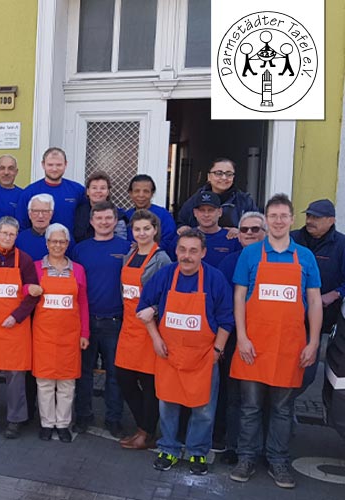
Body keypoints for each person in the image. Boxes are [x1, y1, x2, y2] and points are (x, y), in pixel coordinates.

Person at [229, 194, 322, 489]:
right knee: (250, 407)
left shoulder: (305, 257)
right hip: (254, 346)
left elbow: (315, 302)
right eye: (273, 216)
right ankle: (247, 458)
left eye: (284, 216)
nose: (279, 221)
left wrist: (314, 342)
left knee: (282, 409)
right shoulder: (251, 254)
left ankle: (278, 461)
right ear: (267, 221)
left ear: (291, 219)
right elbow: (240, 297)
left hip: (290, 347)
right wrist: (241, 337)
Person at [137, 229, 234, 476]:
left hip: (203, 356)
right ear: (176, 251)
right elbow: (143, 308)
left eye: (193, 251)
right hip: (168, 353)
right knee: (168, 404)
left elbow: (226, 319)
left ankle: (197, 452)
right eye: (182, 250)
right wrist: (155, 338)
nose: (186, 256)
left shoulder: (215, 278)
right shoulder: (165, 275)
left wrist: (217, 349)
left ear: (203, 252)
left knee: (203, 408)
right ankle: (168, 448)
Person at [70, 201, 133, 438]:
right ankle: (83, 416)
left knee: (115, 375)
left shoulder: (127, 248)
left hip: (116, 321)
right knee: (83, 373)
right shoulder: (80, 249)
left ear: (115, 221)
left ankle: (113, 419)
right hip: (85, 322)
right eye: (99, 218)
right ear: (91, 221)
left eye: (109, 218)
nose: (104, 222)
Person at [0, 216, 41, 438]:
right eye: (4, 233)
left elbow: (32, 293)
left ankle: (15, 419)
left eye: (11, 234)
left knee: (16, 374)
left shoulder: (25, 260)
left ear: (16, 236)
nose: (7, 237)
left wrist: (17, 316)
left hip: (16, 326)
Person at [115, 209, 171, 450]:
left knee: (149, 384)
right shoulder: (130, 254)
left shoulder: (162, 259)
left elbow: (169, 295)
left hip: (150, 329)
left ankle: (146, 432)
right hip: (129, 326)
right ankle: (143, 425)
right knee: (123, 377)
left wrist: (154, 311)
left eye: (146, 229)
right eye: (137, 229)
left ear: (155, 230)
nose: (141, 233)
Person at [214, 211, 267, 462]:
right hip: (235, 336)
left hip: (268, 337)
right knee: (233, 393)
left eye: (255, 229)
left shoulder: (278, 261)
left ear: (265, 232)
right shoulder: (229, 262)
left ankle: (262, 447)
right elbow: (221, 303)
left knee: (265, 396)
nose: (249, 234)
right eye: (244, 230)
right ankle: (233, 446)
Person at [33, 223, 90, 443]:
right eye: (53, 241)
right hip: (43, 335)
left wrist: (84, 332)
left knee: (67, 383)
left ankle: (63, 424)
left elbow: (83, 302)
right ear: (47, 243)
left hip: (70, 335)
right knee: (45, 382)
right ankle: (47, 424)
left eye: (62, 241)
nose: (58, 245)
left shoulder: (78, 270)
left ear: (67, 244)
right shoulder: (37, 268)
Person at [290, 199, 345, 400]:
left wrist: (336, 293)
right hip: (292, 318)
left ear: (331, 220)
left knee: (308, 373)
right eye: (309, 216)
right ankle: (284, 408)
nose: (310, 221)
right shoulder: (292, 239)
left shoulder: (341, 245)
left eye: (317, 217)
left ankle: (287, 405)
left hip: (325, 321)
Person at [16, 148, 87, 234]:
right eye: (50, 165)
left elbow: (85, 220)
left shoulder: (77, 190)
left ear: (66, 164)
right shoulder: (29, 192)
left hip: (69, 244)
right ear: (43, 165)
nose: (54, 169)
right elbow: (22, 225)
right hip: (38, 244)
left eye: (59, 165)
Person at [177, 158, 259, 233]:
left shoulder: (245, 201)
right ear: (209, 176)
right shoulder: (196, 199)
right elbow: (181, 223)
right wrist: (183, 228)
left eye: (229, 174)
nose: (224, 177)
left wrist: (240, 231)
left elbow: (257, 228)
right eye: (218, 173)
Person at [124, 174, 178, 259]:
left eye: (146, 191)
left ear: (152, 193)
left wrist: (143, 247)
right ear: (130, 193)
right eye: (137, 191)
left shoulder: (163, 215)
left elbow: (169, 242)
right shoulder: (126, 216)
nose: (141, 195)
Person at [190, 191, 241, 268]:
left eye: (211, 210)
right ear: (195, 213)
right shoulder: (185, 238)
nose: (206, 215)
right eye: (202, 210)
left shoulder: (232, 238)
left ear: (220, 212)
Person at [73, 171, 128, 242]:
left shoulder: (118, 215)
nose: (98, 191)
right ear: (87, 191)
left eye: (102, 188)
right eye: (94, 188)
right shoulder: (78, 212)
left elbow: (120, 243)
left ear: (108, 192)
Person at [16, 194, 56, 261]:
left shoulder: (62, 239)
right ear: (29, 214)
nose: (40, 216)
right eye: (36, 211)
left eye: (45, 211)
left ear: (51, 214)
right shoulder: (19, 239)